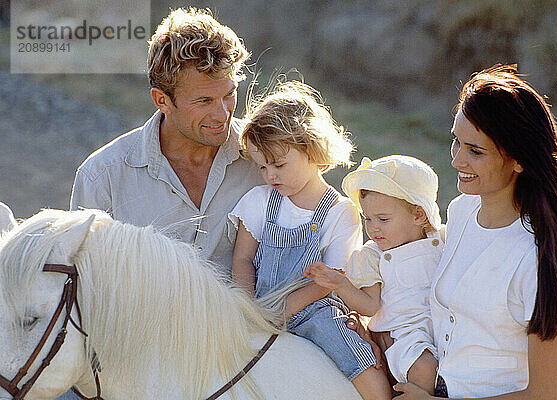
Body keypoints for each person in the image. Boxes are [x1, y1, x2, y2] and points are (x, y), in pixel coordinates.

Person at [393, 65, 557, 399]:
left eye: (475, 151)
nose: (457, 160)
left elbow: (547, 395)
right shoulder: (462, 211)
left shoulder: (535, 257)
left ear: (518, 160)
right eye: (456, 143)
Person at [228, 81, 391, 399]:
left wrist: (286, 309)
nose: (270, 175)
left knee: (356, 357)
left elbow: (332, 280)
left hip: (314, 307)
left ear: (311, 151)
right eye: (262, 166)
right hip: (259, 302)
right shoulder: (260, 201)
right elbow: (243, 259)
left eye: (279, 164)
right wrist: (248, 308)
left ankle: (381, 396)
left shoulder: (339, 211)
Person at [69, 7, 263, 272]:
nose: (222, 114)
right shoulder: (102, 178)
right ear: (163, 101)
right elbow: (84, 286)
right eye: (204, 101)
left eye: (229, 94)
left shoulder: (264, 158)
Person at [304, 155, 443, 394]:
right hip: (403, 335)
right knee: (424, 367)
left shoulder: (440, 240)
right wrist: (341, 284)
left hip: (442, 328)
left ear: (419, 215)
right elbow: (369, 306)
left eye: (383, 219)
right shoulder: (372, 256)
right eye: (367, 218)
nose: (373, 228)